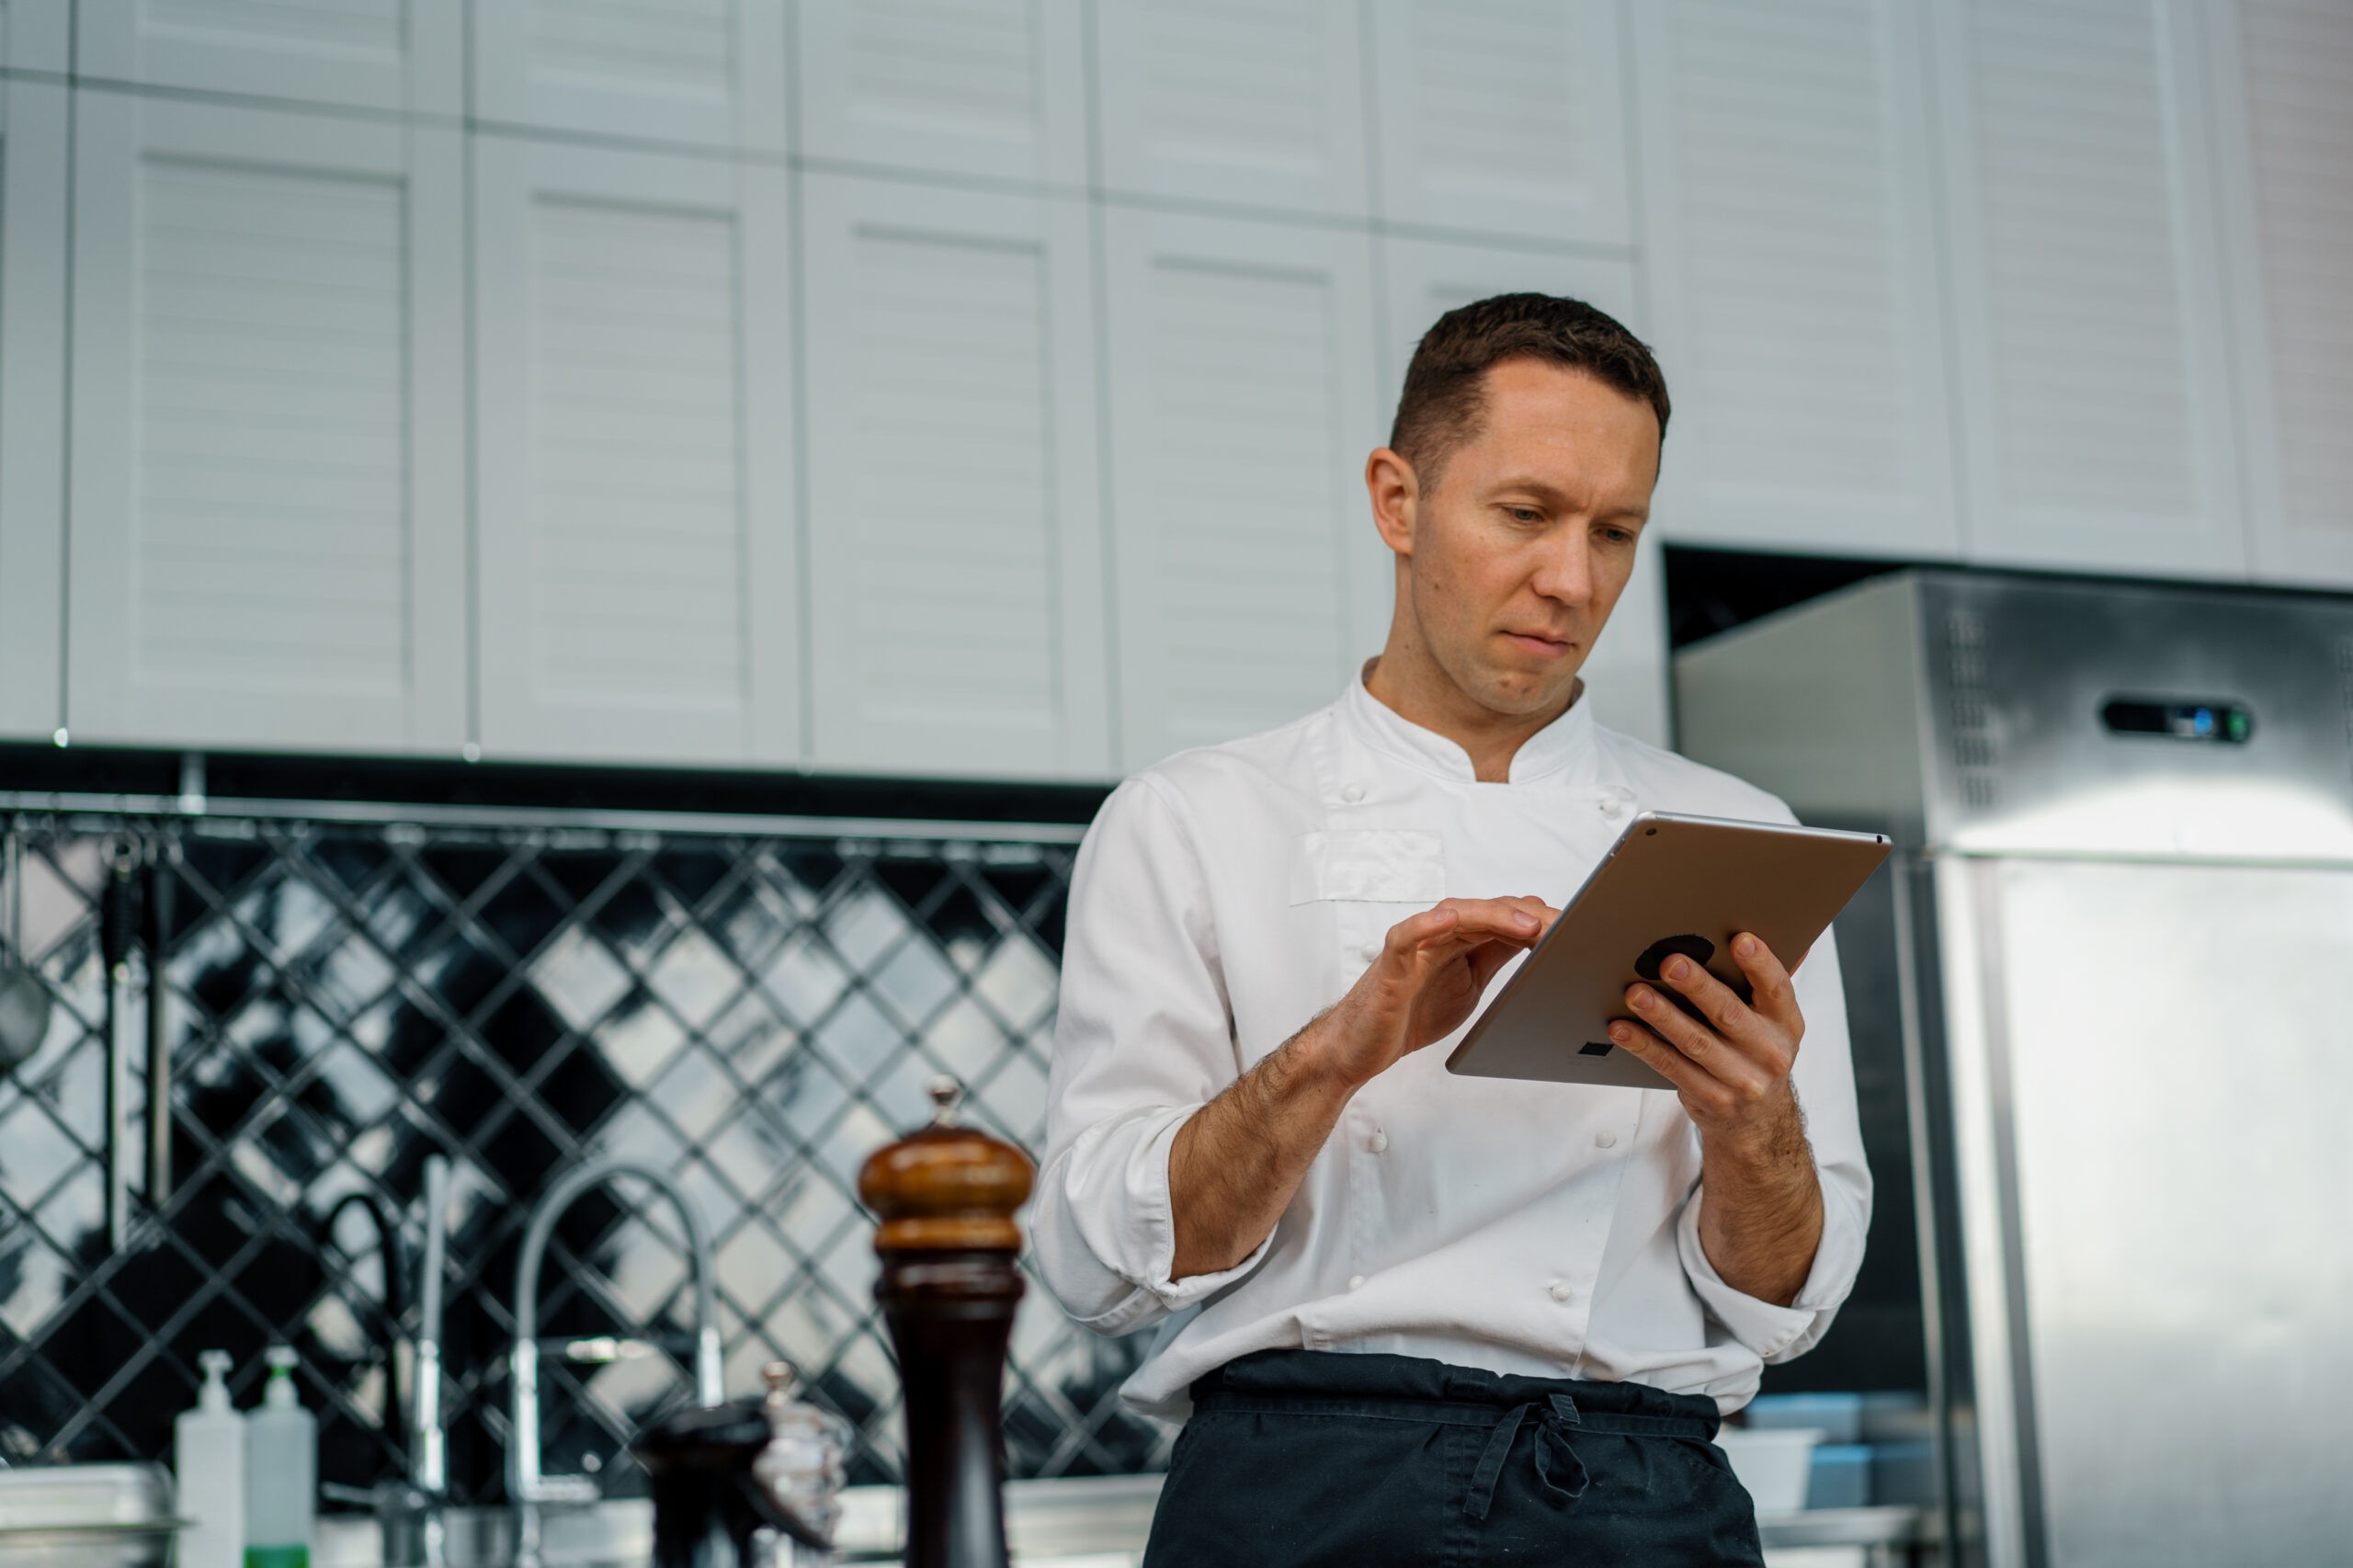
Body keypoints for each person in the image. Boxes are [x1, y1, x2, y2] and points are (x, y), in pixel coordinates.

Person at [1032, 293, 1869, 1564]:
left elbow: (1785, 1300)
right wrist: (1340, 1051)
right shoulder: (1194, 818)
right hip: (1302, 1487)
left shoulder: (1737, 833)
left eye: (1616, 530)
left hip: (1642, 1492)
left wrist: (1753, 1126)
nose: (1572, 579)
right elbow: (1097, 1267)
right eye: (1526, 514)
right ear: (1397, 499)